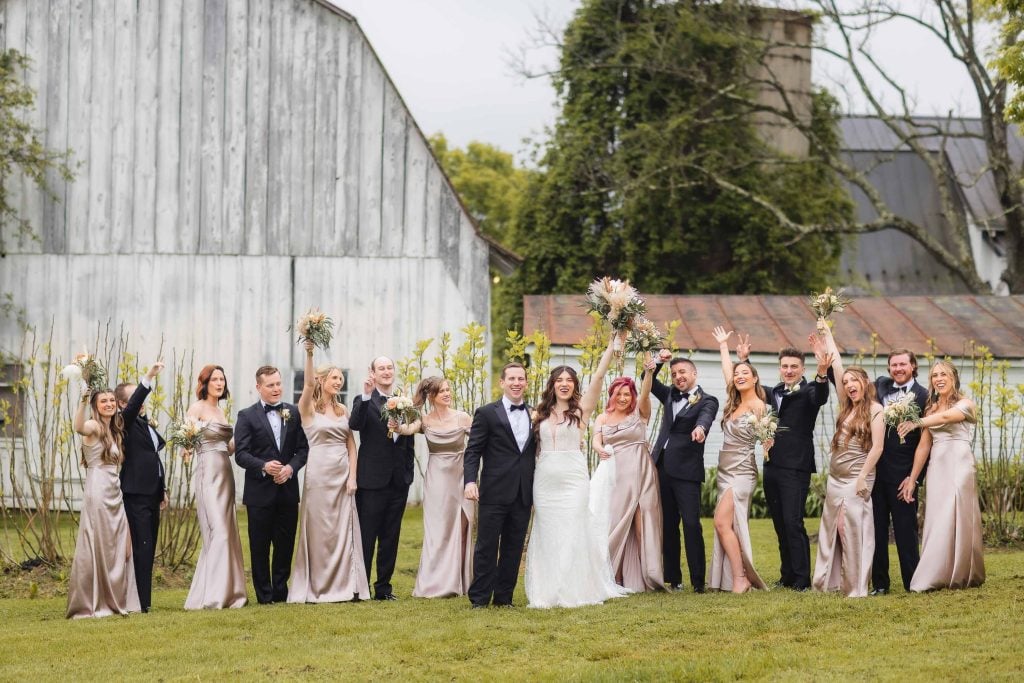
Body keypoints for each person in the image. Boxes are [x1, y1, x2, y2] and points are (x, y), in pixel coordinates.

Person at [525, 331, 628, 608]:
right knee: (549, 533)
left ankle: (572, 588)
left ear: (574, 386)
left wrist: (610, 347)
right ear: (552, 385)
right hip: (545, 480)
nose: (564, 384)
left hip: (573, 479)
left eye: (569, 380)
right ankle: (548, 590)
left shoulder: (581, 411)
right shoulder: (539, 414)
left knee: (572, 531)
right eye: (559, 380)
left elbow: (597, 378)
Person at [737, 336, 830, 591]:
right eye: (785, 366)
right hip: (772, 465)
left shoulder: (811, 390)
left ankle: (801, 579)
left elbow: (821, 396)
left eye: (794, 367)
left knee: (793, 521)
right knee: (779, 522)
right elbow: (752, 387)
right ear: (780, 368)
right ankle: (787, 574)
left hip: (796, 467)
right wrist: (744, 360)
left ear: (802, 369)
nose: (789, 371)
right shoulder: (773, 392)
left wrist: (822, 374)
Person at [289, 340, 369, 603]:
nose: (339, 382)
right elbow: (308, 385)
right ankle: (318, 586)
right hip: (319, 475)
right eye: (334, 377)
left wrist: (353, 477)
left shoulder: (343, 409)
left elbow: (351, 446)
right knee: (320, 529)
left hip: (343, 475)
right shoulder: (308, 409)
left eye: (341, 378)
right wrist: (310, 352)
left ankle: (346, 585)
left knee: (341, 530)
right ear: (322, 380)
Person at [897, 360, 985, 592]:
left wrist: (916, 422)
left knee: (956, 513)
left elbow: (947, 419)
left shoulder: (966, 404)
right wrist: (913, 479)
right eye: (935, 375)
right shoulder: (930, 409)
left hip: (959, 464)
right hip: (937, 466)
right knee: (937, 517)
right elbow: (924, 447)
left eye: (944, 374)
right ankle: (937, 573)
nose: (939, 378)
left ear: (954, 378)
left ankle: (962, 572)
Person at [812, 323, 885, 597]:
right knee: (833, 528)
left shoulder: (876, 410)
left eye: (854, 381)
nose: (849, 385)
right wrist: (828, 331)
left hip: (858, 476)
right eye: (846, 383)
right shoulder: (846, 406)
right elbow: (837, 366)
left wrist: (862, 477)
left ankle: (855, 585)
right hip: (836, 478)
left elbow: (877, 448)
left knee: (850, 528)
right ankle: (829, 582)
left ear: (865, 383)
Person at [390, 376, 475, 598]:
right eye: (442, 391)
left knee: (462, 528)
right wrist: (396, 425)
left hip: (461, 476)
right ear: (431, 396)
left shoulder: (463, 418)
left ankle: (461, 581)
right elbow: (408, 430)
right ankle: (435, 583)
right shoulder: (425, 420)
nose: (447, 394)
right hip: (437, 479)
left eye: (449, 389)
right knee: (438, 530)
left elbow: (480, 441)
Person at [234, 366, 309, 604]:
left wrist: (290, 469)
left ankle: (280, 591)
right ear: (259, 387)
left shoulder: (293, 412)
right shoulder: (246, 416)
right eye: (271, 385)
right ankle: (264, 595)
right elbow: (241, 454)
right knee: (260, 545)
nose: (277, 389)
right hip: (259, 493)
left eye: (278, 384)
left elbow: (303, 450)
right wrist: (264, 466)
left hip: (287, 491)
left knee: (285, 544)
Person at [463, 362, 536, 608]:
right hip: (494, 491)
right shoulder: (486, 413)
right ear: (502, 382)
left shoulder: (535, 414)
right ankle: (480, 599)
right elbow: (473, 451)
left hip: (523, 492)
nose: (516, 383)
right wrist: (470, 481)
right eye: (512, 379)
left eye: (521, 379)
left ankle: (504, 598)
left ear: (526, 383)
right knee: (486, 545)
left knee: (513, 547)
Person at [67, 386, 140, 618]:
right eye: (103, 401)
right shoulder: (95, 428)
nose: (108, 404)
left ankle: (115, 597)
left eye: (111, 400)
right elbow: (78, 427)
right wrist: (83, 399)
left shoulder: (114, 430)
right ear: (95, 406)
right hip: (98, 491)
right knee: (98, 543)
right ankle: (93, 600)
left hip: (114, 491)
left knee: (117, 544)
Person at [649, 349, 719, 593]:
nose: (678, 376)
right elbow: (646, 381)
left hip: (687, 471)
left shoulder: (708, 400)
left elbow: (706, 418)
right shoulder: (669, 394)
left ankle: (698, 581)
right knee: (668, 525)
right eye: (675, 373)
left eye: (683, 372)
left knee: (691, 524)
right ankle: (673, 578)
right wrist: (658, 361)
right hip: (662, 467)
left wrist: (701, 428)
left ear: (694, 373)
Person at [707, 326, 770, 593]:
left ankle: (740, 577)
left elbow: (767, 436)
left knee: (721, 522)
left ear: (755, 379)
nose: (739, 376)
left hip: (742, 471)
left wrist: (769, 441)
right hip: (724, 471)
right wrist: (724, 346)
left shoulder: (759, 406)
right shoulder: (733, 403)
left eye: (745, 373)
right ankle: (737, 576)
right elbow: (726, 370)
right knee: (726, 523)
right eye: (737, 374)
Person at [592, 359, 664, 592]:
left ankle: (648, 574)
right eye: (619, 394)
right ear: (611, 395)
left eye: (627, 394)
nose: (623, 398)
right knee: (616, 521)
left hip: (642, 473)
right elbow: (595, 438)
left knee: (643, 523)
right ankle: (612, 574)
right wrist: (598, 448)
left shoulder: (639, 414)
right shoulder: (603, 418)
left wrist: (649, 372)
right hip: (616, 475)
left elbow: (645, 393)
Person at [350, 355, 415, 601]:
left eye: (390, 368)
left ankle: (384, 589)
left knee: (391, 535)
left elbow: (408, 440)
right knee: (367, 535)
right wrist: (366, 395)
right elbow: (354, 424)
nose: (386, 372)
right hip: (372, 480)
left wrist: (407, 473)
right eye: (381, 368)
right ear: (373, 373)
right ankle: (360, 588)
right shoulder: (363, 400)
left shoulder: (405, 402)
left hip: (399, 480)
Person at [184, 365, 248, 609]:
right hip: (207, 472)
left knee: (228, 532)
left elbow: (229, 448)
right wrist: (187, 449)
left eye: (222, 379)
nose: (219, 383)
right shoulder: (197, 408)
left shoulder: (221, 411)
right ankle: (213, 595)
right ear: (205, 382)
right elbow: (186, 438)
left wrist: (242, 438)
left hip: (225, 472)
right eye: (215, 379)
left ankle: (229, 592)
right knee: (217, 531)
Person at [868, 349, 928, 595]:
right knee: (876, 531)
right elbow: (851, 384)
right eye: (894, 365)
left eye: (903, 364)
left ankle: (913, 582)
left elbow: (927, 442)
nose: (898, 369)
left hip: (904, 475)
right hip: (877, 473)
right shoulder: (880, 385)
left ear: (913, 366)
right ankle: (880, 584)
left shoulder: (924, 395)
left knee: (906, 531)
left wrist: (915, 479)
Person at [114, 361, 167, 613]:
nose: (140, 401)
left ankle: (143, 599)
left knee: (149, 546)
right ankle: (141, 603)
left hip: (152, 493)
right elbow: (135, 406)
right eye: (134, 397)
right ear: (124, 404)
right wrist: (148, 377)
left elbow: (154, 457)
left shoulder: (144, 423)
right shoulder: (123, 421)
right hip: (135, 493)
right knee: (142, 547)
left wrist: (162, 488)